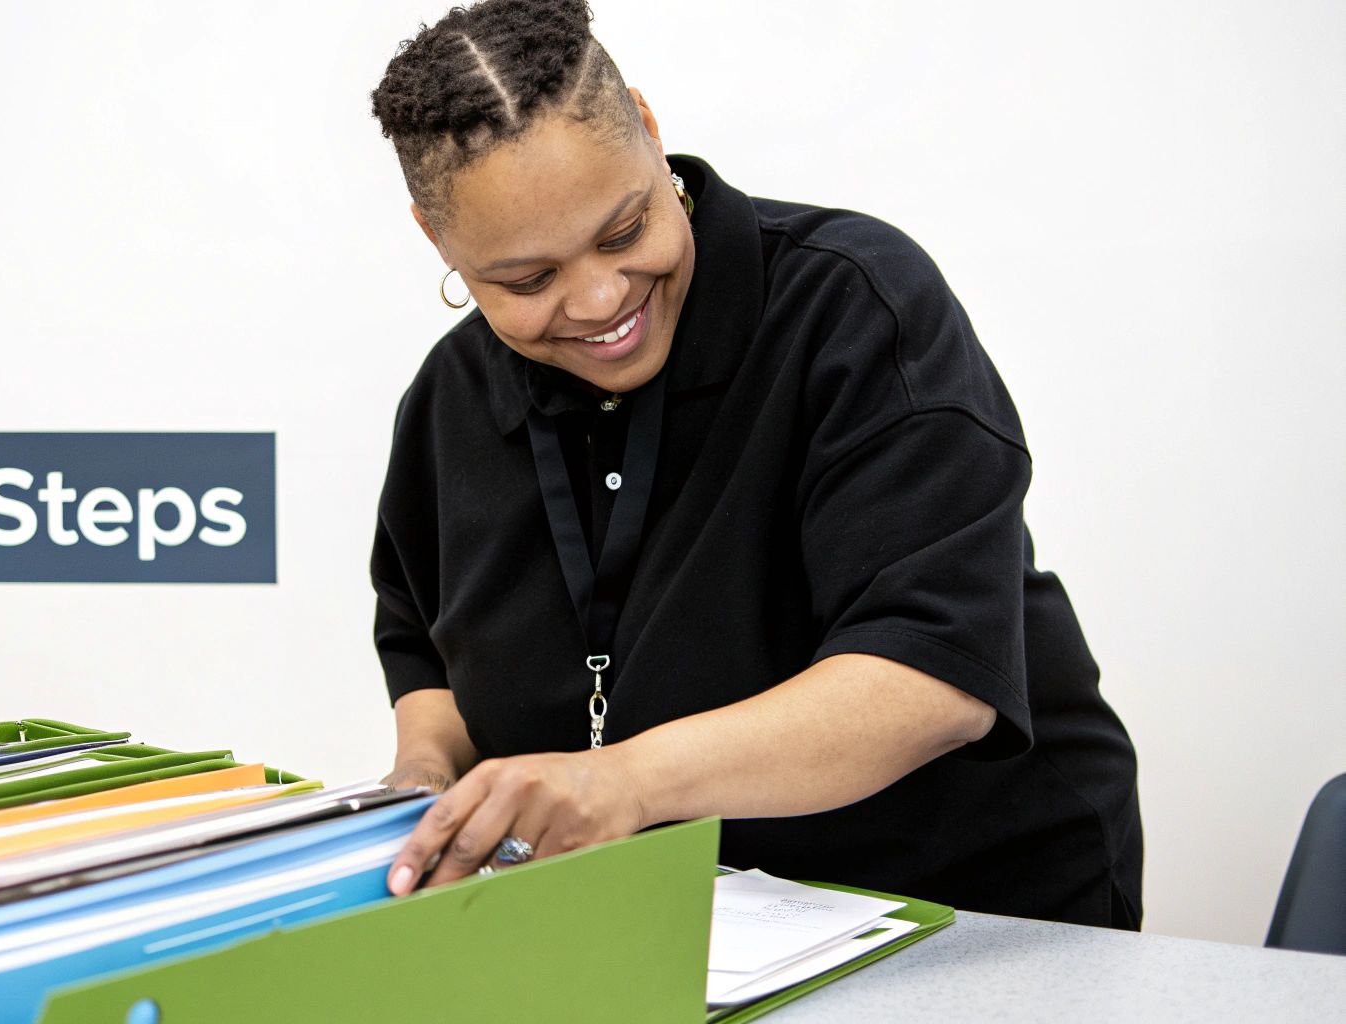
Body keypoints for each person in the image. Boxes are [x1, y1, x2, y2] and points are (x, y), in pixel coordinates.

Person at [365, 0, 1142, 928]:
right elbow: (422, 634)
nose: (601, 299)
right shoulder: (452, 396)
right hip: (683, 927)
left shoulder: (855, 309)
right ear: (436, 239)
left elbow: (932, 680)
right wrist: (424, 776)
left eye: (623, 232)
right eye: (528, 281)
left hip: (970, 912)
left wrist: (628, 781)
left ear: (651, 133)